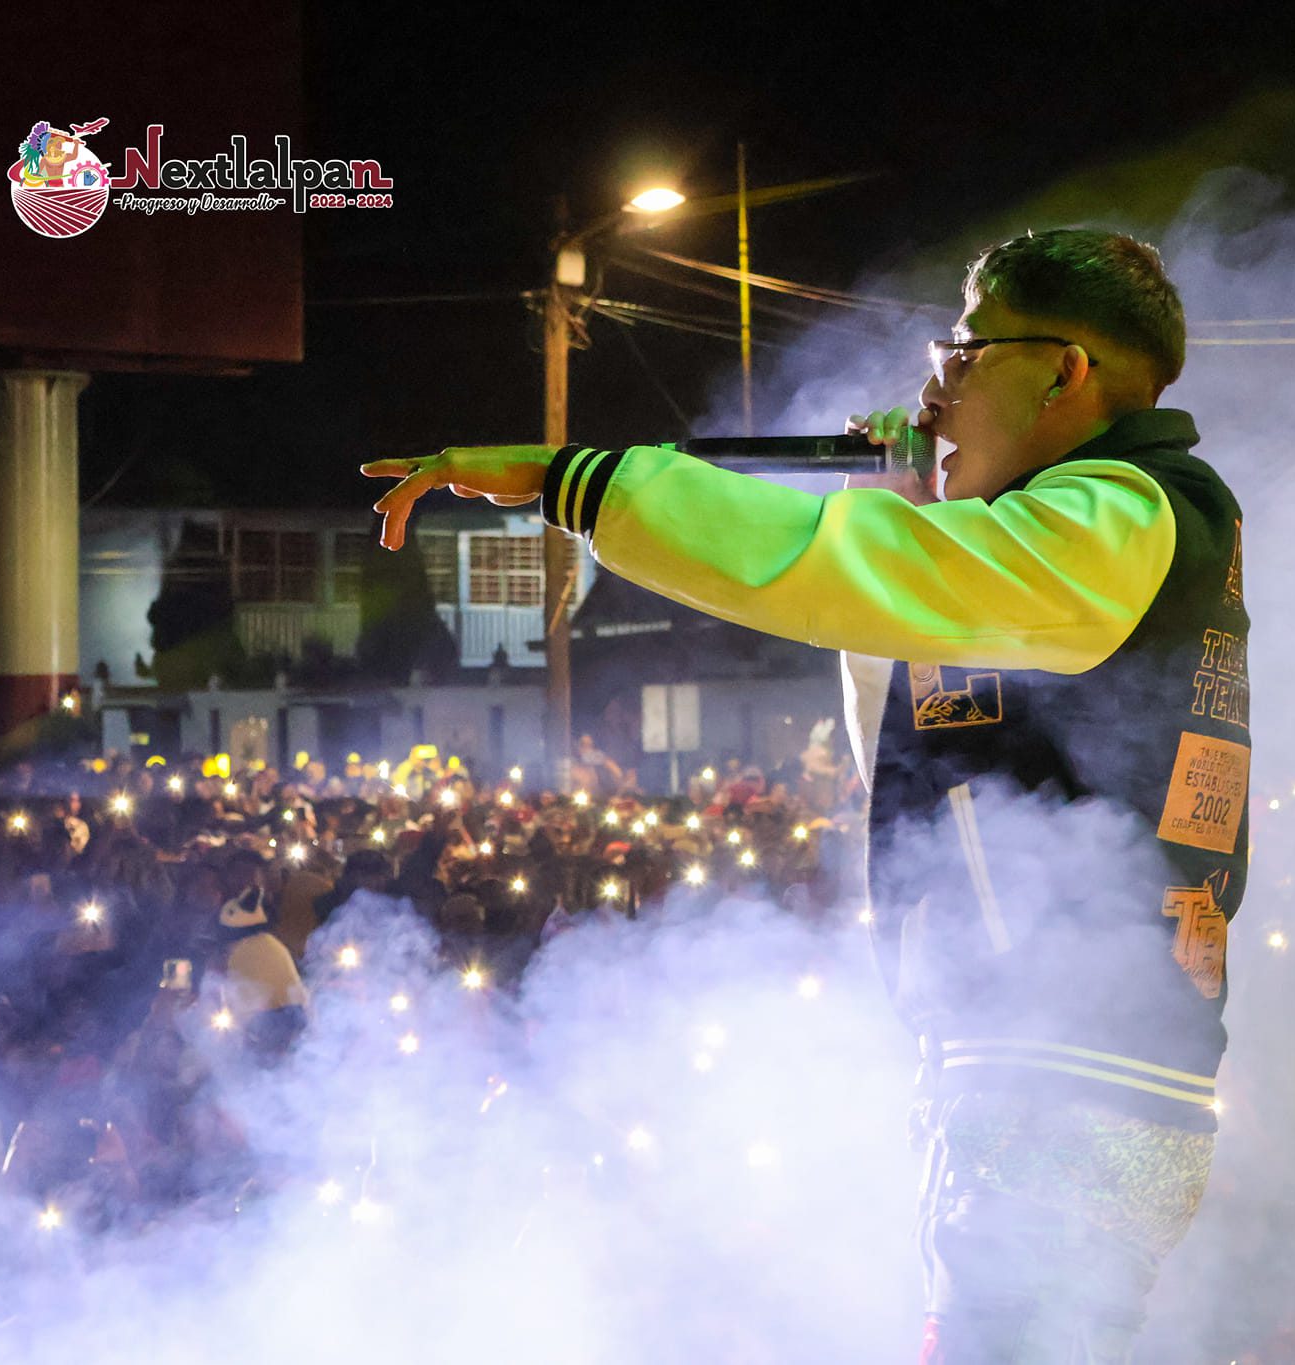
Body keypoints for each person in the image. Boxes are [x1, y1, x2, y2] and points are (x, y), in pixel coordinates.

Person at [363, 227, 1250, 1363]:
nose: (934, 387)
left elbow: (841, 568)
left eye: (964, 352)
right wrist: (904, 505)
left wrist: (570, 481)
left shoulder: (1126, 510)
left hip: (1075, 1079)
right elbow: (903, 702)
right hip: (1048, 1065)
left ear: (1064, 371)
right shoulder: (1089, 533)